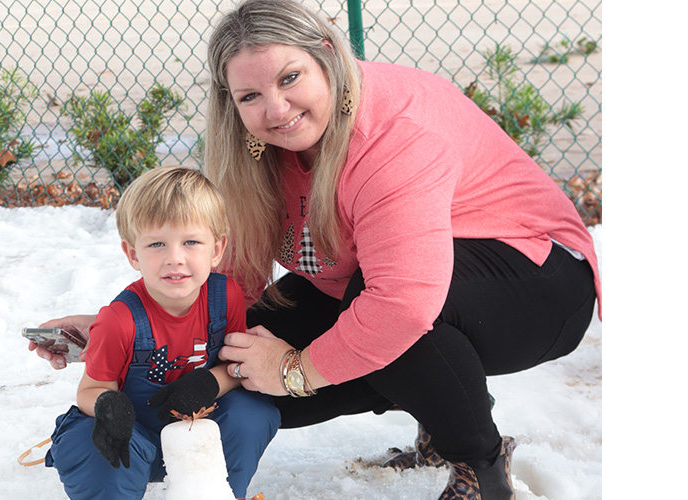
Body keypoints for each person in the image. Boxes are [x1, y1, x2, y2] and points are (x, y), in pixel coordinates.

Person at [35, 1, 602, 498]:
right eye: (251, 95)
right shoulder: (257, 151)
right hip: (396, 279)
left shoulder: (395, 137)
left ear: (327, 53)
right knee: (236, 359)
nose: (276, 109)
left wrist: (298, 368)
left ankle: (480, 468)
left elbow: (402, 304)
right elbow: (232, 278)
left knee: (375, 323)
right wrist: (134, 324)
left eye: (290, 78)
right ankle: (437, 405)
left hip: (538, 279)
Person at [39, 166, 279, 500]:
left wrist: (211, 382)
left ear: (217, 249)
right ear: (133, 254)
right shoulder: (118, 320)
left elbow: (238, 367)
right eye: (157, 244)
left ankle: (219, 493)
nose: (174, 259)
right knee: (89, 444)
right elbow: (90, 390)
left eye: (191, 242)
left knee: (252, 413)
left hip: (196, 433)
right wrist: (108, 406)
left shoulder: (226, 298)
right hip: (133, 438)